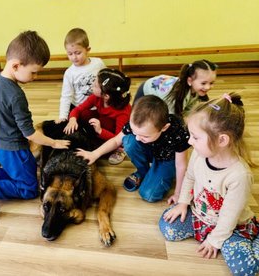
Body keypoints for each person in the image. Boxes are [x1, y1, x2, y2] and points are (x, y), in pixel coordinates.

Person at [0, 30, 70, 219]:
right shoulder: (16, 95)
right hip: (14, 149)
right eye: (33, 73)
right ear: (16, 65)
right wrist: (54, 143)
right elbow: (30, 133)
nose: (35, 77)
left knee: (23, 172)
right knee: (29, 188)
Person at [159, 93, 259, 276]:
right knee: (167, 226)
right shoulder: (199, 154)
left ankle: (253, 238)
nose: (189, 141)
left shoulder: (239, 175)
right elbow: (189, 177)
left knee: (245, 270)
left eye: (195, 137)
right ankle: (210, 235)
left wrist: (215, 241)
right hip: (201, 216)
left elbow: (229, 216)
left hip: (231, 227)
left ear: (222, 140)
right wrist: (182, 203)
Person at [76, 95, 190, 203]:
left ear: (164, 128)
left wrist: (179, 193)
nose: (138, 138)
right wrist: (94, 154)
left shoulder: (178, 132)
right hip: (151, 150)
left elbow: (181, 165)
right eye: (135, 132)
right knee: (129, 141)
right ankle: (143, 171)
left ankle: (156, 173)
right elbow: (116, 141)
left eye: (145, 136)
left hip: (167, 160)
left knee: (149, 195)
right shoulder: (137, 123)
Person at [64, 68, 132, 164]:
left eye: (95, 85)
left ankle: (120, 151)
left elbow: (119, 138)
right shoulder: (96, 97)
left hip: (118, 135)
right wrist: (72, 119)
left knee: (124, 141)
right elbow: (78, 109)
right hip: (103, 123)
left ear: (106, 96)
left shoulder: (123, 112)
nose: (92, 85)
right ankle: (95, 138)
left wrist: (100, 131)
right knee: (84, 113)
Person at [134, 59, 217, 117]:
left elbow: (188, 110)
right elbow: (171, 118)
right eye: (203, 83)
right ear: (190, 81)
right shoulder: (175, 95)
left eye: (211, 83)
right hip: (145, 92)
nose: (208, 87)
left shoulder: (195, 90)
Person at [57, 28, 106, 122]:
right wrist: (63, 116)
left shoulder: (98, 63)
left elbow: (107, 80)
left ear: (87, 50)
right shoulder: (69, 73)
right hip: (79, 108)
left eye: (78, 53)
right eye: (70, 54)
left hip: (99, 106)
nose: (74, 57)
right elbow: (66, 96)